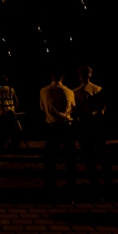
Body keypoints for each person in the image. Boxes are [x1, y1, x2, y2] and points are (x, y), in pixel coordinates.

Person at [73, 66, 111, 192]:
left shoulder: (76, 91)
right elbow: (103, 108)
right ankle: (107, 178)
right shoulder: (97, 89)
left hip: (85, 124)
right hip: (97, 123)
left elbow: (75, 110)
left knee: (88, 153)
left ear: (80, 76)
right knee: (101, 151)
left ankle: (93, 178)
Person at [40, 68, 76, 196]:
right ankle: (71, 184)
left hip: (52, 127)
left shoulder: (43, 91)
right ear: (63, 76)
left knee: (50, 159)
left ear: (52, 76)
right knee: (69, 158)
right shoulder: (69, 91)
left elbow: (42, 108)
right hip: (66, 127)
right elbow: (73, 109)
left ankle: (49, 185)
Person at [0, 75, 20, 150]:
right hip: (10, 113)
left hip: (0, 114)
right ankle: (15, 146)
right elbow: (16, 101)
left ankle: (1, 146)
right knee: (13, 130)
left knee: (1, 131)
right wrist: (15, 109)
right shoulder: (11, 89)